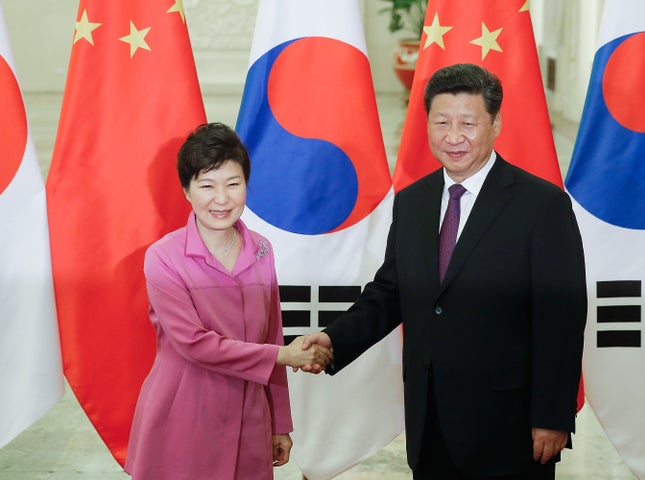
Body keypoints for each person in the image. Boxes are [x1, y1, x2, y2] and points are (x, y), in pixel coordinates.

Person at [302, 64, 587, 479]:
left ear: (496, 123)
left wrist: (552, 415)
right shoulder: (414, 202)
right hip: (429, 419)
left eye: (468, 123)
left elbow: (561, 319)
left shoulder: (542, 206)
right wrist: (332, 339)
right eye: (442, 123)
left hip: (510, 426)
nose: (454, 137)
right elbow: (390, 292)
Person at [124, 122, 332, 480]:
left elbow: (272, 333)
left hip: (249, 414)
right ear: (186, 191)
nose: (221, 199)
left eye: (233, 184)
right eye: (207, 185)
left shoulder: (262, 250)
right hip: (183, 413)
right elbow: (194, 344)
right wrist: (284, 354)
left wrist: (279, 421)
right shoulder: (163, 257)